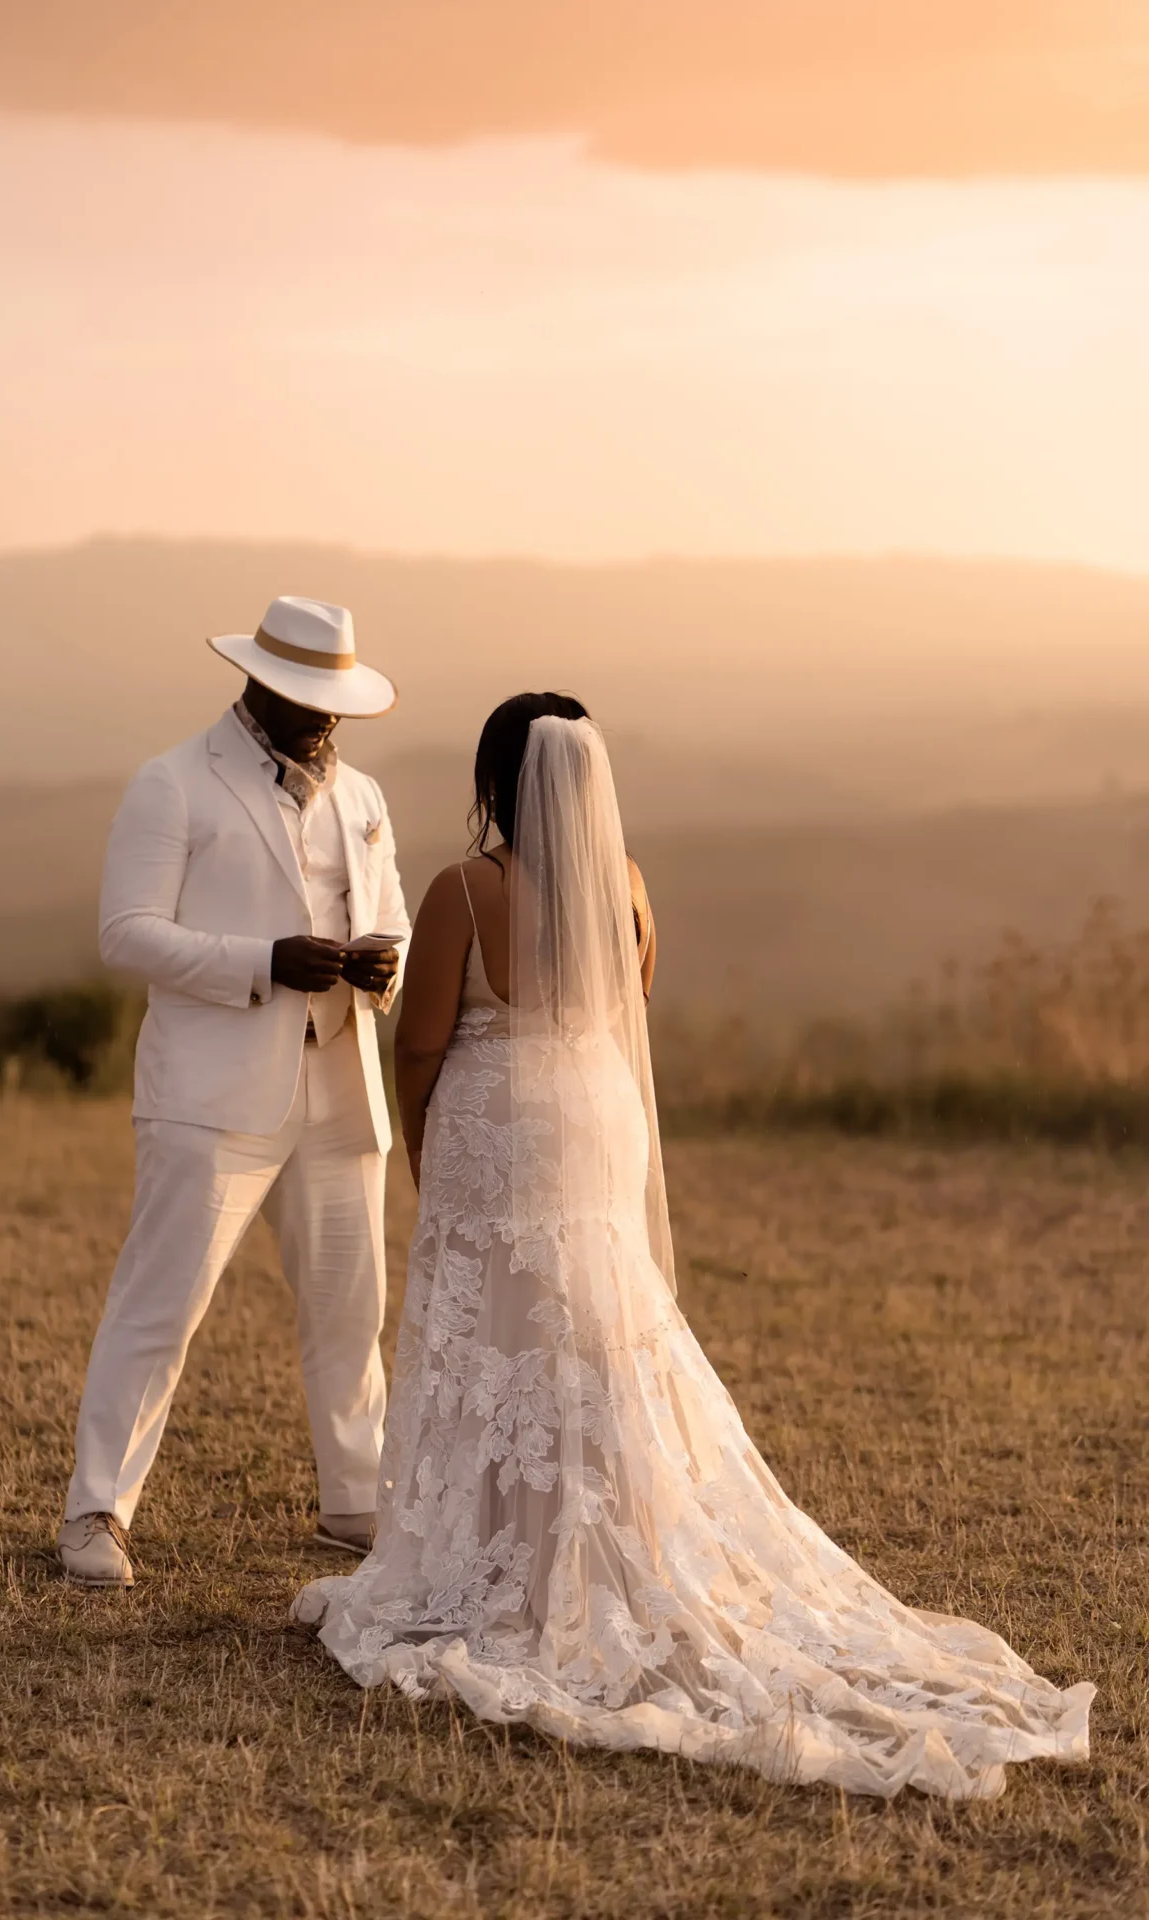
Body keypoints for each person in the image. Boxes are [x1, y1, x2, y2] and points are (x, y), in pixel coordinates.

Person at [296, 692, 1093, 1801]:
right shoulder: (625, 885)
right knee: (601, 1321)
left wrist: (429, 1144)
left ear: (494, 784)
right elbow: (633, 1001)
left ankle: (500, 1556)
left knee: (504, 1328)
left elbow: (421, 1043)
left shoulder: (463, 891)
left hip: (503, 1125)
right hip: (597, 1112)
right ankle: (603, 1528)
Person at [57, 597, 409, 1588]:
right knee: (160, 1305)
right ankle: (95, 1512)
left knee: (349, 1308)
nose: (326, 720)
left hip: (341, 1084)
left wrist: (384, 964)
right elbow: (126, 932)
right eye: (308, 699)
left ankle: (355, 1499)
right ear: (255, 683)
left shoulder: (363, 795)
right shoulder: (172, 783)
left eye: (337, 704)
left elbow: (391, 914)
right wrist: (262, 961)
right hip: (211, 1094)